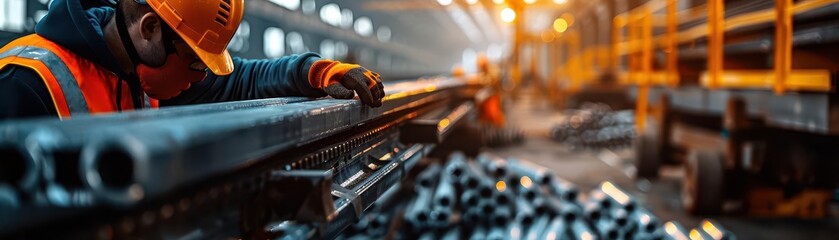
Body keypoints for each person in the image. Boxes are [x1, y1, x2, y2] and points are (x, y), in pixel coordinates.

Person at [0, 0, 385, 120]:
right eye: (195, 61)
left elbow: (243, 81)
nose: (200, 78)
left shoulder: (134, 72)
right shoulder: (24, 84)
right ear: (150, 29)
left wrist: (317, 71)